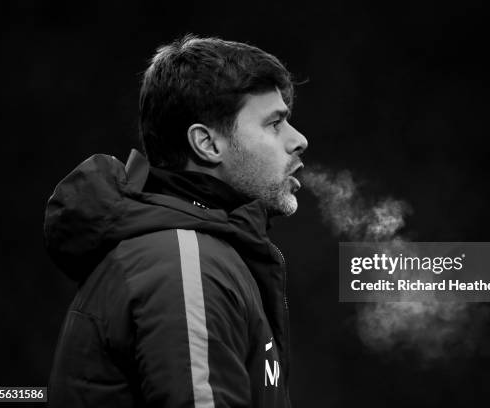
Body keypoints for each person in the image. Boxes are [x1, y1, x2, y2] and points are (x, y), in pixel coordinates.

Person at [44, 34, 307, 408]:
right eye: (275, 123)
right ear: (207, 144)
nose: (299, 140)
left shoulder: (191, 252)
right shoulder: (184, 262)